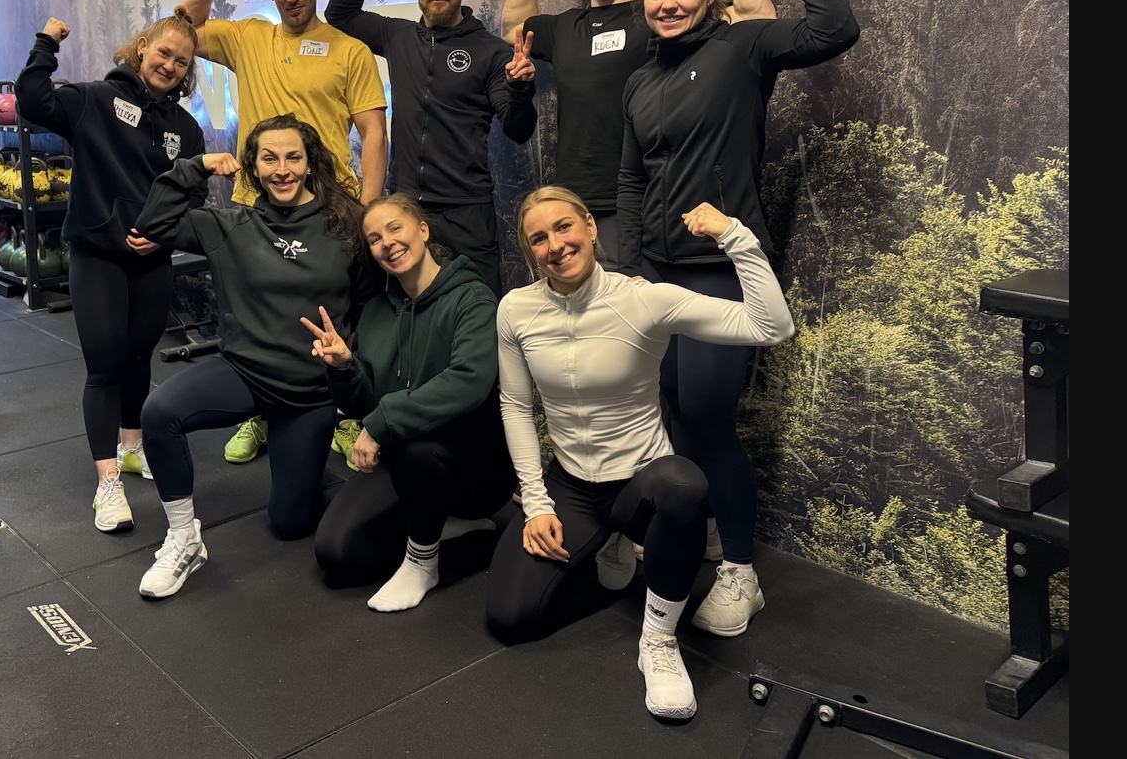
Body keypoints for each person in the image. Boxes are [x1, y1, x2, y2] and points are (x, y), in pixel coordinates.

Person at [614, 0, 861, 641]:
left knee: (708, 416)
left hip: (719, 272)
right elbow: (631, 179)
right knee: (670, 409)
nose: (667, 3)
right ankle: (697, 530)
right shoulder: (639, 81)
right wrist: (626, 270)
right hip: (654, 275)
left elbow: (834, 28)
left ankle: (741, 573)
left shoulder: (742, 47)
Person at [484, 186, 795, 720]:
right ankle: (613, 554)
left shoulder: (644, 299)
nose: (555, 245)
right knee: (510, 618)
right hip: (572, 486)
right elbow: (514, 404)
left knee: (684, 485)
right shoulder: (516, 309)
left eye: (564, 227)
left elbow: (772, 326)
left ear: (590, 226)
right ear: (529, 250)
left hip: (643, 485)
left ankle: (658, 639)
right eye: (538, 238)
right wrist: (535, 502)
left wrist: (733, 236)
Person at [131, 112, 380, 599]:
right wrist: (197, 166)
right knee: (159, 412)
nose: (282, 169)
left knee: (288, 523)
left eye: (293, 158)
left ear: (309, 163)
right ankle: (183, 539)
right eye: (269, 158)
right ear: (252, 166)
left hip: (310, 393)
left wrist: (354, 370)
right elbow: (153, 223)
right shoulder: (231, 225)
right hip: (244, 373)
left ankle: (319, 477)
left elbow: (370, 304)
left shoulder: (345, 225)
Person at [178, 0, 389, 467]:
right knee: (259, 315)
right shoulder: (249, 37)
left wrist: (366, 209)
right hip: (258, 206)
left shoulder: (350, 51)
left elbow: (374, 132)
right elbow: (180, 29)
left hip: (332, 207)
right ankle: (260, 410)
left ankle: (346, 412)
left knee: (344, 314)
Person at [14, 14, 206, 535]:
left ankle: (132, 447)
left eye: (181, 61)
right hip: (98, 253)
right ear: (142, 48)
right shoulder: (95, 99)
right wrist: (46, 42)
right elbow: (32, 100)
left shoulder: (185, 129)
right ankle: (107, 483)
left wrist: (165, 234)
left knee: (139, 356)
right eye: (163, 53)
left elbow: (194, 196)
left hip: (152, 259)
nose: (170, 65)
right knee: (104, 366)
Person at [499, 0, 776, 264]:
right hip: (579, 207)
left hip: (649, 203)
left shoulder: (664, 16)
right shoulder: (565, 28)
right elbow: (514, 27)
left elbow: (755, 17)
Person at [302, 194, 514, 612]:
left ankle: (422, 562)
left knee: (421, 452)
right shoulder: (376, 312)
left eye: (395, 228)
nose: (387, 243)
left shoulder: (472, 298)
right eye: (375, 238)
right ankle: (441, 523)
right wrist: (344, 368)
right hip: (404, 461)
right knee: (338, 553)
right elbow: (366, 401)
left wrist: (382, 421)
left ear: (423, 229)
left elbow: (469, 382)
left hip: (473, 468)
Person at [324, 0, 539, 296]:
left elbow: (519, 129)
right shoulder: (398, 36)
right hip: (406, 210)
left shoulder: (491, 52)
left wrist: (519, 89)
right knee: (409, 308)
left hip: (467, 213)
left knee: (479, 309)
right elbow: (339, 13)